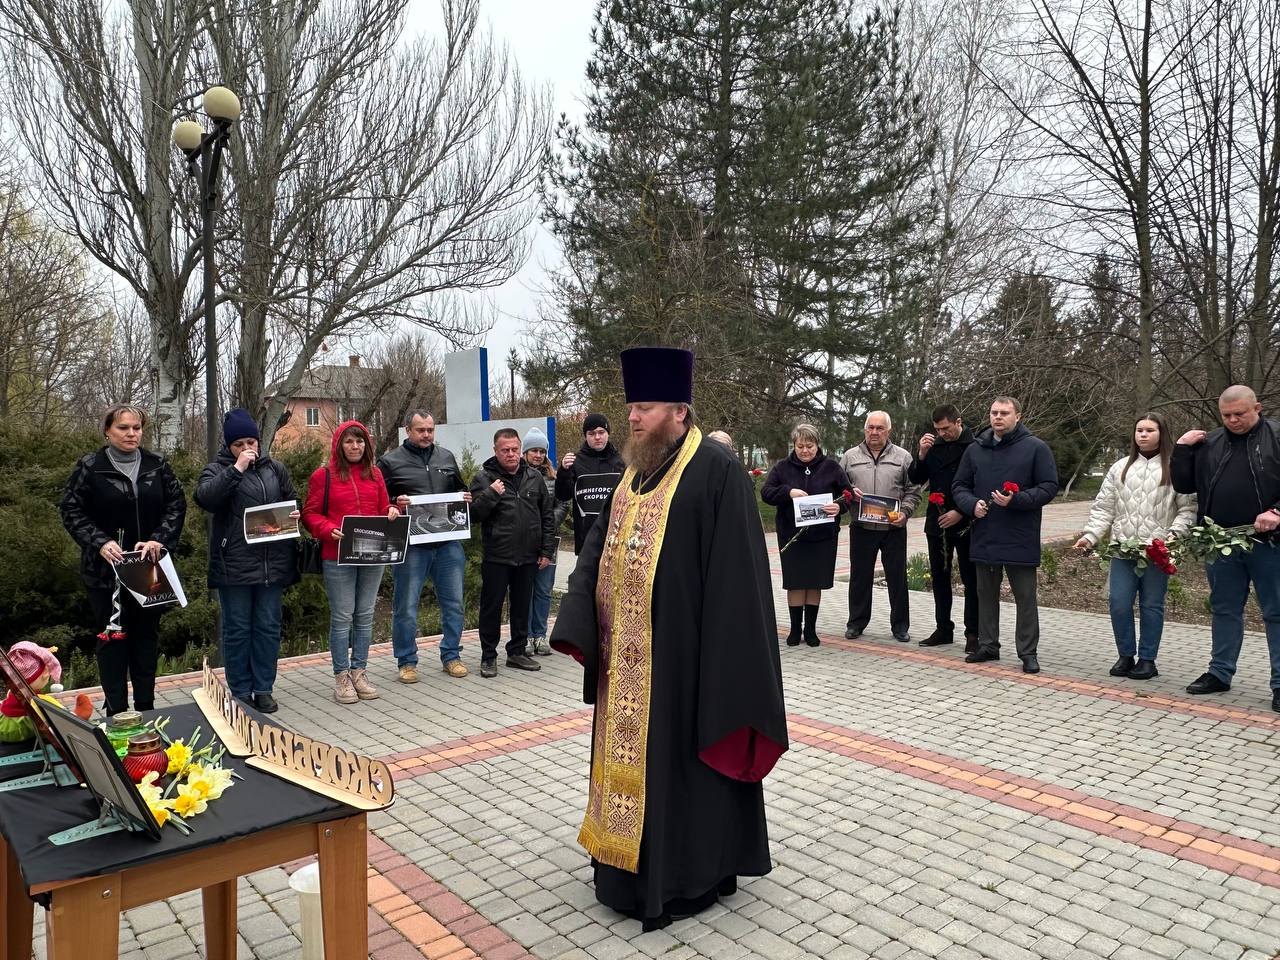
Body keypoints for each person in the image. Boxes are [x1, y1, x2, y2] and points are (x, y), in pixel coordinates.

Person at [550, 346, 787, 931]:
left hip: (687, 662)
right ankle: (624, 870)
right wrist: (580, 617)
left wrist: (722, 667)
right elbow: (599, 547)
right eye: (631, 406)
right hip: (627, 662)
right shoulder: (634, 471)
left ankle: (685, 877)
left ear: (680, 411)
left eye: (646, 407)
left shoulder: (716, 470)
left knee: (681, 769)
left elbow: (739, 578)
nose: (633, 417)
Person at [60, 404, 186, 715]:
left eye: (137, 428)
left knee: (146, 639)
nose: (131, 433)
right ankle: (117, 711)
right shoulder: (90, 467)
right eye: (123, 428)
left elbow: (176, 505)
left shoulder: (158, 465)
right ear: (107, 431)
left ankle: (146, 709)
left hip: (148, 568)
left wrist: (160, 538)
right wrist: (100, 542)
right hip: (105, 573)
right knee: (113, 640)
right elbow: (72, 511)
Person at [1171, 385, 1280, 712]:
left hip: (1270, 543)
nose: (1233, 420)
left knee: (1276, 612)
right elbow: (1184, 485)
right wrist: (1181, 450)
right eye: (1227, 415)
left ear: (1257, 407)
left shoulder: (1277, 436)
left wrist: (1276, 511)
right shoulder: (1210, 442)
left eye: (1240, 414)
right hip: (1221, 544)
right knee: (1224, 608)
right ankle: (1220, 673)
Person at [1074, 412, 1196, 681]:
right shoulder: (1120, 468)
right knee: (1118, 603)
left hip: (1157, 551)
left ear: (1162, 434)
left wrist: (1173, 535)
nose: (1143, 435)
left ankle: (1148, 660)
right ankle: (1125, 655)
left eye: (1149, 430)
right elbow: (1104, 508)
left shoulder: (1176, 468)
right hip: (1123, 549)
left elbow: (1187, 509)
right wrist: (1091, 536)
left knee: (1152, 606)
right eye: (1139, 430)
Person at [195, 409, 301, 713]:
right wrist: (236, 470)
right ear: (229, 446)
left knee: (268, 626)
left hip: (272, 562)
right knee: (238, 628)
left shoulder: (275, 468)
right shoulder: (216, 470)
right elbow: (206, 499)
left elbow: (292, 500)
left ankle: (264, 688)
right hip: (235, 565)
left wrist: (295, 513)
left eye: (251, 441)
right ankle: (240, 690)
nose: (247, 448)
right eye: (239, 443)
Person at [952, 396, 1059, 673]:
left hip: (1019, 534)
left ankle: (1028, 652)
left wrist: (1017, 499)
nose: (998, 417)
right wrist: (970, 504)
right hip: (985, 532)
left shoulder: (1035, 448)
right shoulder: (976, 449)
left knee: (1025, 597)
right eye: (994, 412)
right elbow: (960, 485)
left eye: (1004, 413)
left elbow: (1048, 487)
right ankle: (988, 645)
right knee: (985, 594)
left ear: (1018, 416)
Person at [303, 420, 400, 705]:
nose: (355, 446)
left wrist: (392, 510)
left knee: (365, 614)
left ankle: (360, 671)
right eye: (349, 441)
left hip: (373, 553)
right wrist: (326, 529)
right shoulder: (324, 476)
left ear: (366, 445)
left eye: (360, 441)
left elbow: (384, 506)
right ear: (339, 445)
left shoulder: (376, 474)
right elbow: (310, 514)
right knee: (343, 616)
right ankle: (341, 676)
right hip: (338, 555)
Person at [378, 410, 471, 682]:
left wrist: (466, 497)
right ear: (408, 430)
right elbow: (378, 499)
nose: (426, 435)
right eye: (421, 430)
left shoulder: (446, 457)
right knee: (406, 606)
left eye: (430, 430)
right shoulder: (391, 461)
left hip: (447, 543)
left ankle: (451, 655)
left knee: (454, 603)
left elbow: (460, 490)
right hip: (412, 545)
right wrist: (396, 502)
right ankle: (406, 661)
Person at [469, 428, 556, 678]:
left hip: (528, 555)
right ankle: (488, 656)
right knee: (491, 607)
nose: (511, 454)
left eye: (515, 450)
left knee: (521, 606)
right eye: (505, 450)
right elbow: (474, 515)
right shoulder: (484, 478)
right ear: (495, 451)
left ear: (520, 450)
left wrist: (546, 551)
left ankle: (517, 652)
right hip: (497, 555)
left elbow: (547, 517)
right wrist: (491, 494)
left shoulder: (534, 477)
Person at [760, 423, 853, 647]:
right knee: (796, 582)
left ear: (817, 445)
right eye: (800, 446)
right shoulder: (782, 468)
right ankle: (794, 629)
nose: (805, 450)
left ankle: (810, 630)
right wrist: (787, 492)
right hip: (793, 537)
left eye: (809, 446)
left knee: (814, 582)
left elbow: (848, 494)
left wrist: (839, 507)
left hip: (822, 537)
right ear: (794, 445)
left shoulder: (831, 467)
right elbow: (766, 493)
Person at [840, 411, 920, 642]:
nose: (874, 432)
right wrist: (847, 496)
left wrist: (905, 514)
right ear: (865, 430)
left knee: (897, 578)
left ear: (888, 431)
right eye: (870, 428)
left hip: (893, 528)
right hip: (861, 526)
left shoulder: (903, 457)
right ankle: (856, 623)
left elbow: (913, 491)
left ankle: (900, 626)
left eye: (879, 428)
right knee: (859, 577)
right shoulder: (849, 457)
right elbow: (838, 488)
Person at [908, 404, 979, 650]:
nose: (942, 434)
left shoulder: (975, 446)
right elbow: (916, 478)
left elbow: (980, 482)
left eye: (946, 428)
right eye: (938, 430)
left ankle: (973, 632)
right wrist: (921, 454)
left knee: (971, 579)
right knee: (940, 577)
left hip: (966, 521)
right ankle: (943, 628)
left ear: (958, 422)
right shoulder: (934, 446)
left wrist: (960, 511)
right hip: (937, 521)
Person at [523, 426, 569, 656]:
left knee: (543, 590)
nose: (538, 455)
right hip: (524, 543)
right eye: (534, 450)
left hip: (549, 540)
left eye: (542, 451)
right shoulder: (518, 476)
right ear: (525, 452)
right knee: (524, 590)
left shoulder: (554, 477)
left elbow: (563, 504)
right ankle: (524, 637)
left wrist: (548, 523)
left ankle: (540, 635)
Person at [555, 413, 625, 554]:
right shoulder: (575, 461)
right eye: (592, 433)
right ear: (585, 436)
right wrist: (563, 471)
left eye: (601, 432)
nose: (597, 437)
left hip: (616, 536)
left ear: (608, 433)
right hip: (586, 538)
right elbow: (562, 495)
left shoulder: (622, 461)